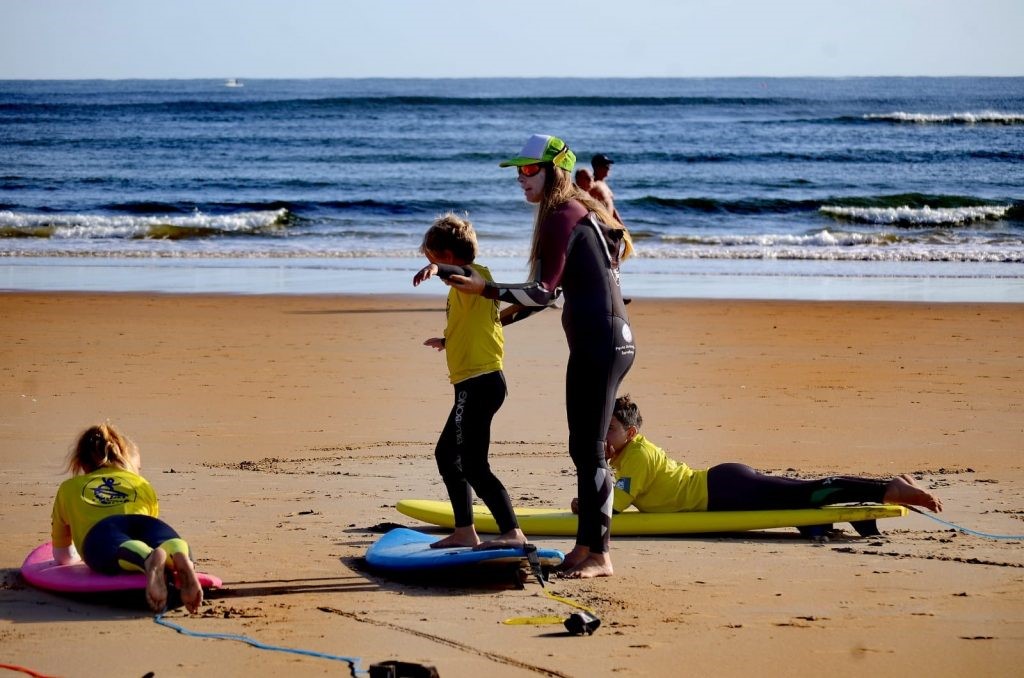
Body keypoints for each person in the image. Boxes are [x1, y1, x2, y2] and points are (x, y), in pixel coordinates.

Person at [445, 134, 635, 578]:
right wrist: (496, 320)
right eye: (518, 170)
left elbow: (542, 292)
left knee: (590, 453)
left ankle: (601, 556)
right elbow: (551, 299)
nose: (520, 178)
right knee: (583, 449)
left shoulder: (561, 215)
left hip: (601, 343)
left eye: (529, 170)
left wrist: (485, 289)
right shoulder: (580, 212)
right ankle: (585, 547)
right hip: (604, 340)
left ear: (555, 170)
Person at [573, 394, 943, 517]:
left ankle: (887, 489)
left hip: (722, 490)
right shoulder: (628, 454)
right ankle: (876, 493)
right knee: (800, 494)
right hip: (723, 485)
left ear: (631, 432)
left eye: (611, 430)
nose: (605, 436)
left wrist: (582, 503)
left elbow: (613, 506)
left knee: (805, 494)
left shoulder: (635, 455)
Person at [412, 213, 527, 550]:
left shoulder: (473, 277)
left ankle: (512, 531)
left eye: (430, 258)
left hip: (479, 383)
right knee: (448, 456)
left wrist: (438, 271)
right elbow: (479, 323)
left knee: (473, 464)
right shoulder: (471, 288)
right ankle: (465, 529)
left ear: (445, 256)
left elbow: (461, 272)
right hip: (475, 383)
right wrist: (449, 341)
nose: (429, 264)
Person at [50, 423, 204, 613]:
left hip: (101, 531)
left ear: (81, 463)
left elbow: (62, 557)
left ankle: (147, 559)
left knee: (120, 546)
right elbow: (146, 525)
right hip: (146, 524)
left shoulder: (69, 488)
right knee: (166, 542)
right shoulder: (141, 483)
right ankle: (182, 558)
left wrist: (74, 556)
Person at [589, 154, 622, 225]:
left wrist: (621, 225)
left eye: (609, 166)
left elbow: (612, 207)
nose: (608, 168)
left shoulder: (603, 183)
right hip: (601, 226)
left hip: (609, 225)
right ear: (596, 167)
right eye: (605, 166)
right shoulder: (593, 185)